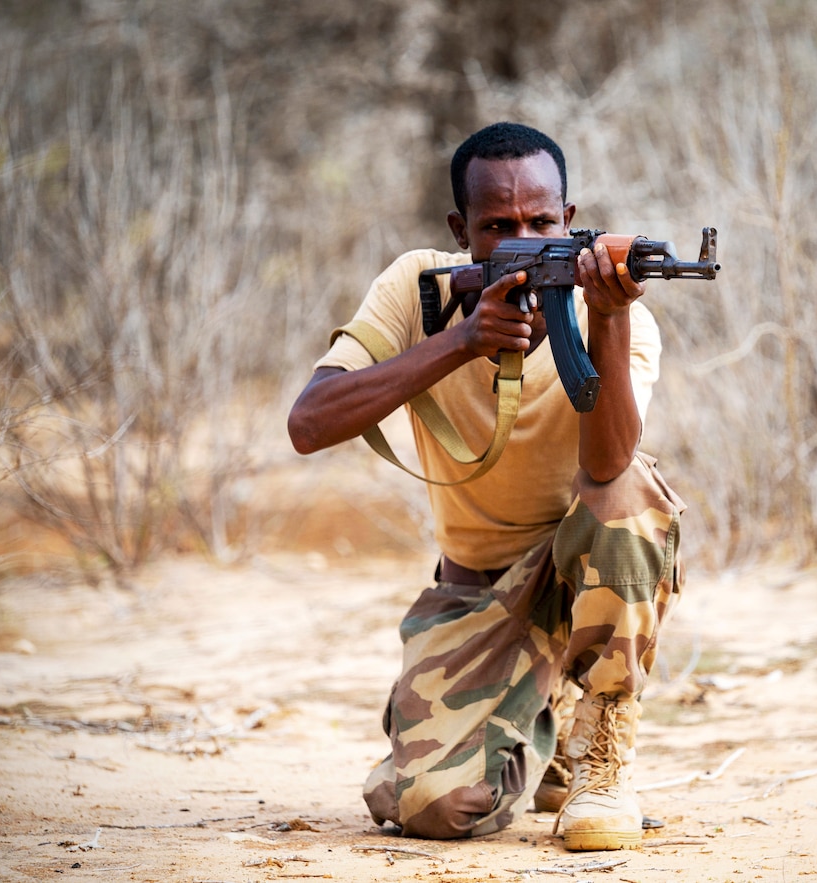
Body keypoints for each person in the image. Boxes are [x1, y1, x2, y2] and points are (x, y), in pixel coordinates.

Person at [287, 122, 685, 851]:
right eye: (499, 227)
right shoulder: (418, 288)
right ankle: (538, 732)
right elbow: (309, 423)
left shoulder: (624, 317)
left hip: (578, 581)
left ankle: (600, 761)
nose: (524, 237)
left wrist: (610, 317)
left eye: (541, 221)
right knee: (436, 806)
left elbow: (607, 466)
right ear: (459, 229)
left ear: (569, 221)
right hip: (476, 594)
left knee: (631, 493)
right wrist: (460, 341)